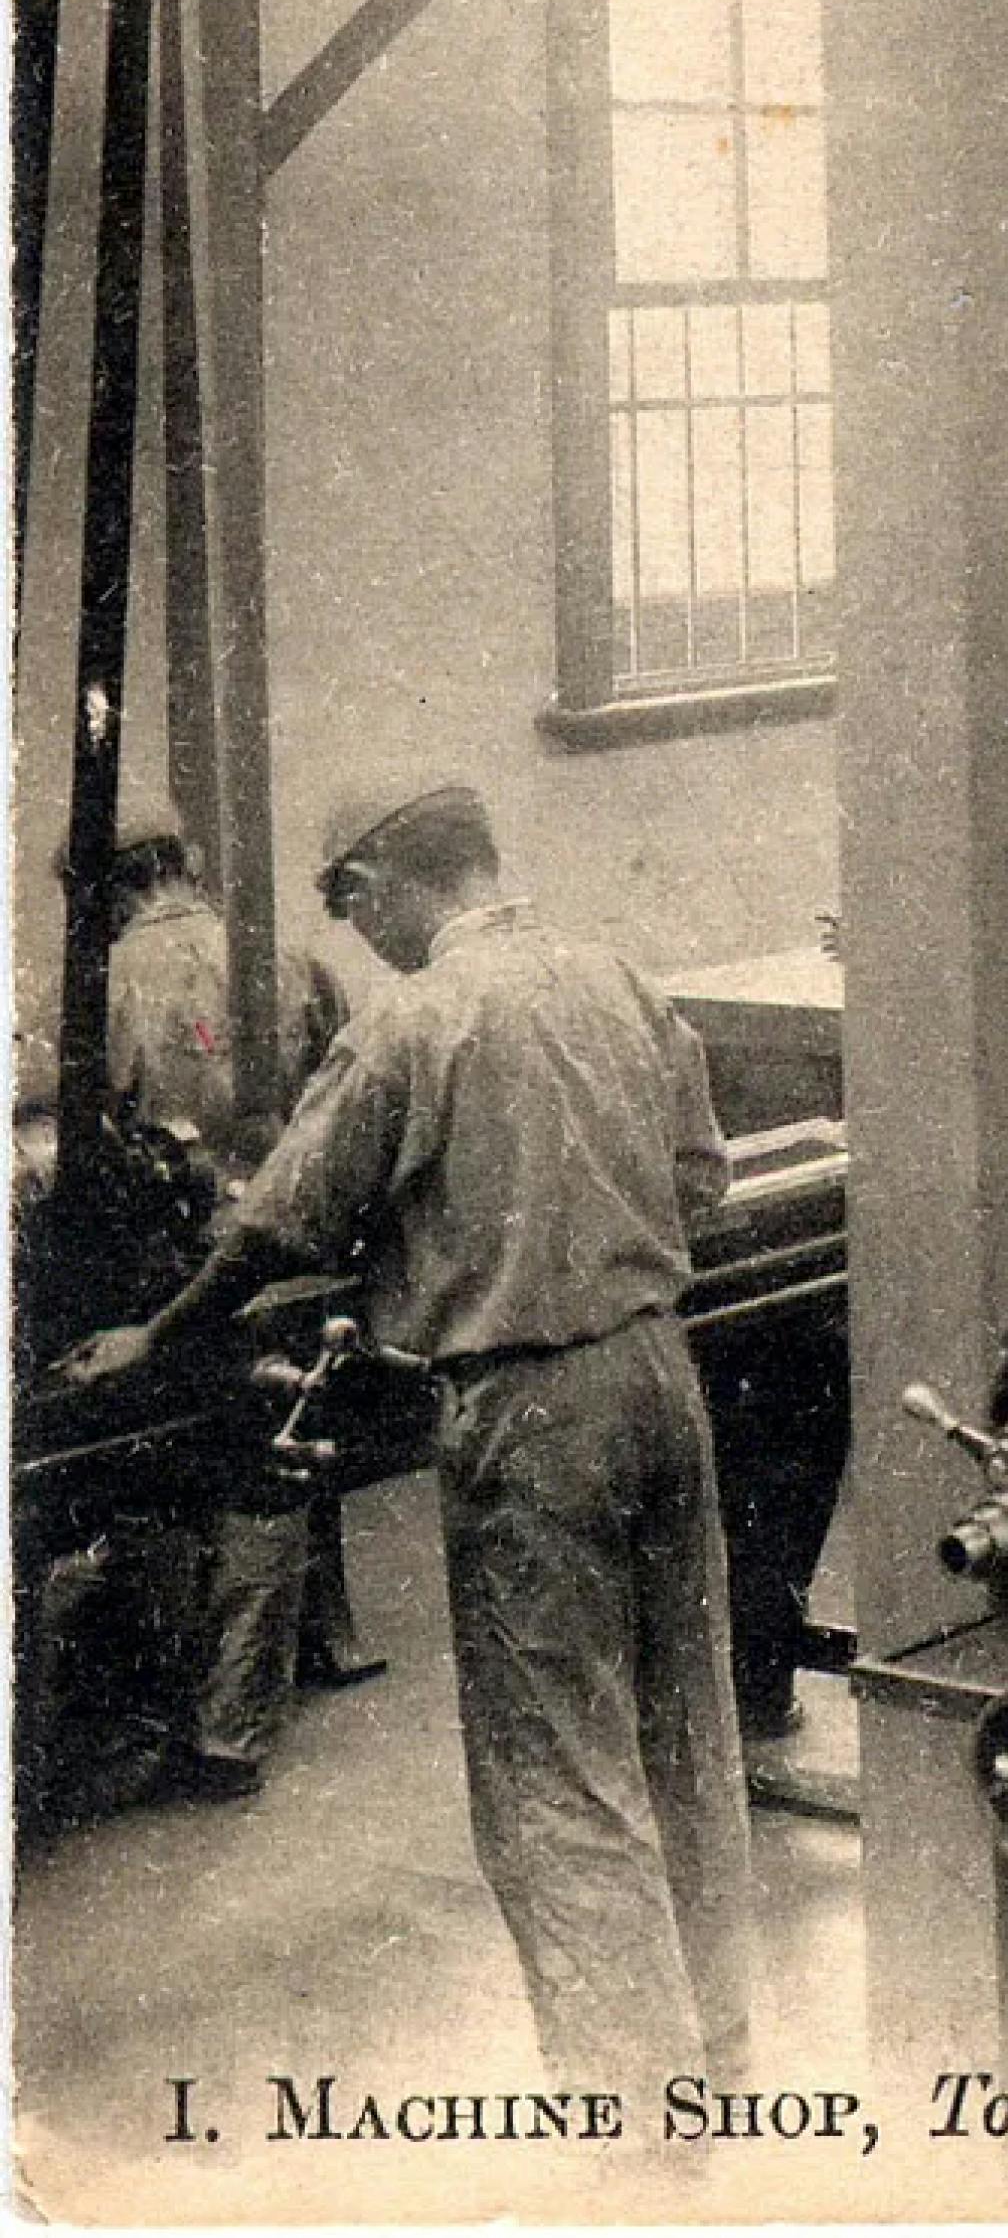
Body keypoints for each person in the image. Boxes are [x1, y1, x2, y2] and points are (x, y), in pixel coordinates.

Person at [59, 781, 752, 2091]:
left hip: (526, 1405)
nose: (349, 926)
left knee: (556, 1775)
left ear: (375, 884)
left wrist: (161, 1330)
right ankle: (718, 2059)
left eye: (342, 900)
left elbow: (279, 1222)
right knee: (685, 1736)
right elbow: (699, 1178)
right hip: (663, 1378)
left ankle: (633, 2127)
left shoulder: (414, 1020)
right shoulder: (613, 973)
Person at [83, 798, 364, 1802]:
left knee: (227, 1478)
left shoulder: (102, 987)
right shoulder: (291, 957)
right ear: (187, 860)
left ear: (102, 889)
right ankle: (281, 1677)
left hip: (186, 1277)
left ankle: (221, 1729)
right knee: (276, 1457)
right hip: (302, 1257)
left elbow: (86, 1154)